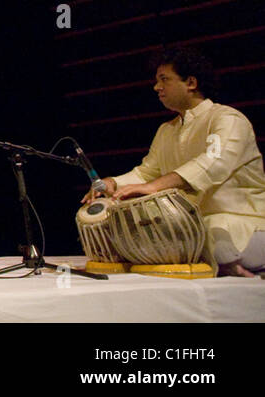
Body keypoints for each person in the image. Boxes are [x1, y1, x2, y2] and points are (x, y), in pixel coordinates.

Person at [86, 46, 265, 277]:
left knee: (212, 241)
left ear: (191, 82)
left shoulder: (228, 118)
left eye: (164, 79)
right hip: (194, 226)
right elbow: (146, 173)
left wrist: (152, 187)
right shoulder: (166, 130)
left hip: (245, 223)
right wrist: (112, 183)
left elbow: (214, 163)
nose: (156, 87)